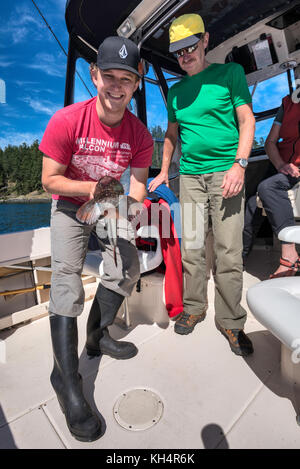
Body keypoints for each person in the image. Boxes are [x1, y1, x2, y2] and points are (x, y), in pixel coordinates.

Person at [40, 36, 153, 442]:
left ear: (136, 84)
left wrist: (132, 213)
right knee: (67, 280)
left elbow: (137, 187)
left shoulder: (139, 134)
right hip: (71, 204)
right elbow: (48, 179)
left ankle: (95, 336)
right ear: (94, 75)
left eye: (126, 79)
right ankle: (66, 378)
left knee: (129, 265)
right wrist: (92, 191)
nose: (117, 86)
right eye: (109, 76)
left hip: (111, 205)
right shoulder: (66, 120)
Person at [149, 14, 256, 356]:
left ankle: (231, 321)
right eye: (178, 52)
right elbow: (170, 135)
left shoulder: (229, 74)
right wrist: (165, 171)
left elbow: (246, 119)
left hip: (227, 173)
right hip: (191, 178)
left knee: (228, 251)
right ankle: (195, 308)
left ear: (205, 40)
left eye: (190, 47)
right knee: (193, 246)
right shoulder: (176, 93)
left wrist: (240, 165)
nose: (184, 56)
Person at [257, 93, 300, 278]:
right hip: (284, 166)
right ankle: (237, 263)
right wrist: (281, 165)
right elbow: (270, 142)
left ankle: (289, 255)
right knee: (251, 204)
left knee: (268, 188)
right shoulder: (288, 103)